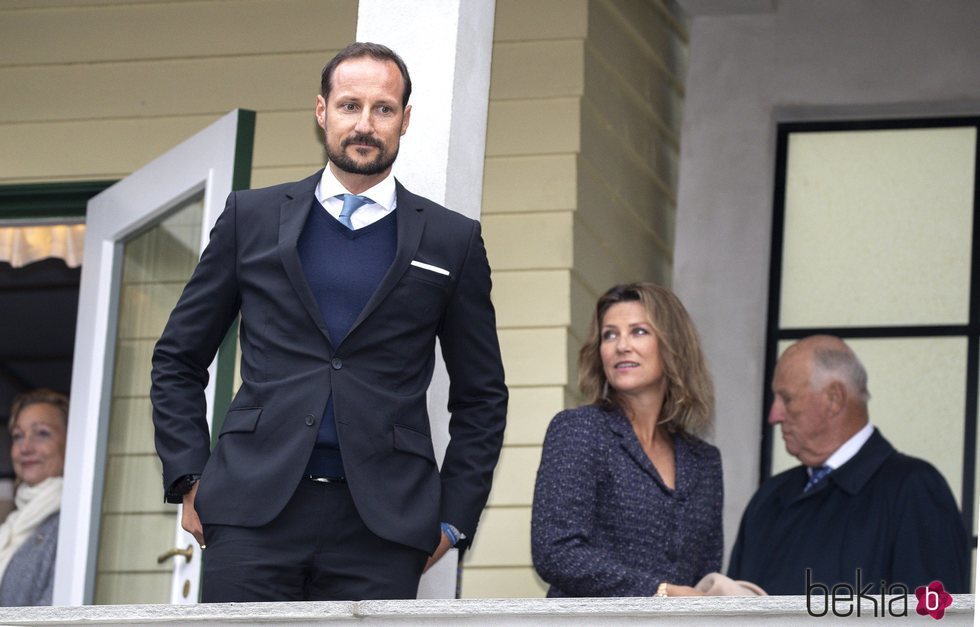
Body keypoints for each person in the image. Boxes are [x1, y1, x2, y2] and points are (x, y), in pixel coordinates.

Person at [151, 42, 507, 602]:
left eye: (383, 109)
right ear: (322, 112)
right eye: (349, 105)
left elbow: (482, 395)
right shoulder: (252, 218)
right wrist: (190, 476)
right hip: (251, 512)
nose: (365, 124)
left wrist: (454, 517)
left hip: (383, 526)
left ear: (405, 120)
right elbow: (178, 357)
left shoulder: (451, 240)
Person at [728, 335, 970, 594]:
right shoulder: (769, 498)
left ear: (834, 399)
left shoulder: (913, 490)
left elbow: (935, 615)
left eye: (786, 399)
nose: (774, 415)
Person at [531, 282, 723, 597]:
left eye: (638, 331)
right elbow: (555, 552)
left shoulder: (704, 460)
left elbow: (703, 576)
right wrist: (658, 592)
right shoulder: (580, 430)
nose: (621, 346)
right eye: (610, 334)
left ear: (672, 345)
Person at [0, 389, 68, 606]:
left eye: (42, 433)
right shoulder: (11, 525)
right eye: (18, 436)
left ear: (72, 442)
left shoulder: (71, 523)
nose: (25, 447)